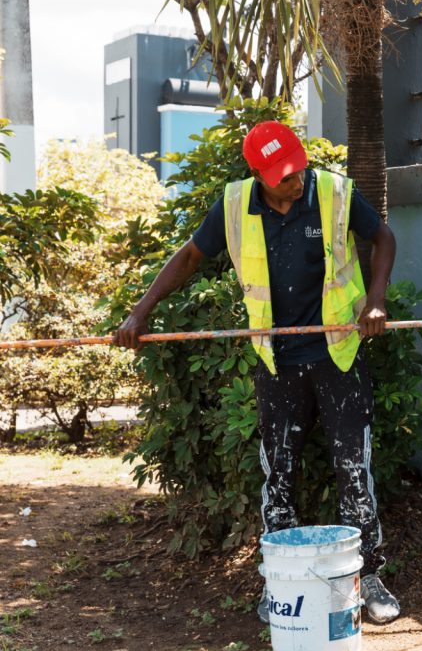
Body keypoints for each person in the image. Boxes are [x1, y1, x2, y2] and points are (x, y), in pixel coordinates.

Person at [114, 121, 400, 625]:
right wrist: (140, 313)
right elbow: (190, 256)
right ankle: (281, 582)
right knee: (279, 474)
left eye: (297, 169)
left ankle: (368, 576)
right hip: (277, 362)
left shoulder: (333, 192)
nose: (295, 181)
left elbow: (383, 237)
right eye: (282, 176)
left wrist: (375, 300)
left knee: (354, 470)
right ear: (258, 175)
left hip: (338, 354)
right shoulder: (233, 205)